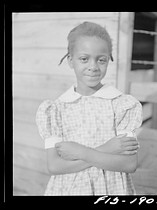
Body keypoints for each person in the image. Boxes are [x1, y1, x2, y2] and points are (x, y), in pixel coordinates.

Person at [36, 21, 142, 195]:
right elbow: (54, 166)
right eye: (84, 59)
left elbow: (129, 164)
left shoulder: (121, 105)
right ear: (71, 61)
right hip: (69, 189)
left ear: (109, 60)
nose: (93, 67)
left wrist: (80, 152)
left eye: (101, 60)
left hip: (111, 189)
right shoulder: (55, 110)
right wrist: (107, 149)